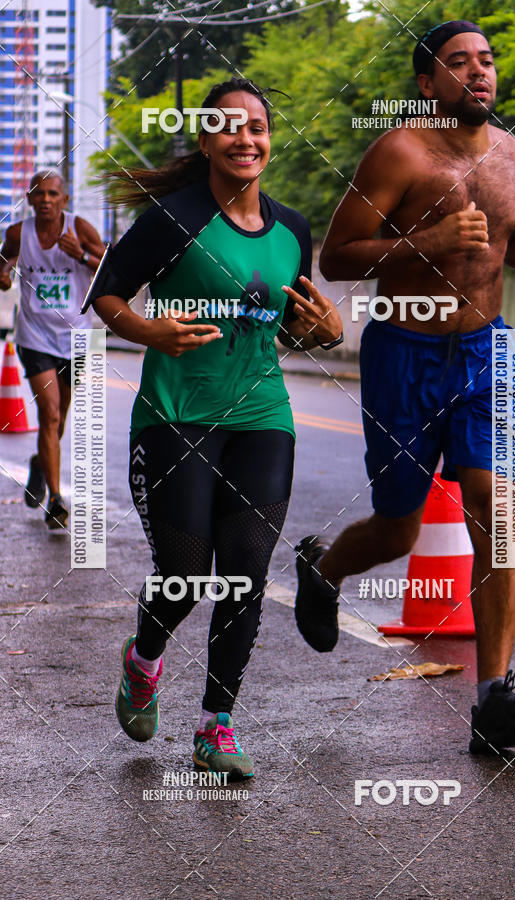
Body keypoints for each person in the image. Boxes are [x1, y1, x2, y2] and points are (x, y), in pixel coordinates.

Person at [294, 21, 515, 755]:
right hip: (404, 354)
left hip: (487, 354)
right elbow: (340, 256)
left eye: (486, 60)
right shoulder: (399, 151)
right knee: (400, 528)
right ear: (427, 85)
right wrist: (426, 242)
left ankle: (493, 698)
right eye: (458, 63)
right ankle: (323, 571)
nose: (477, 72)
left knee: (498, 510)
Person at [84, 78, 343, 778]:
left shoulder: (291, 229)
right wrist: (147, 331)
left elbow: (296, 319)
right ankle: (143, 660)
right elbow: (105, 291)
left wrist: (328, 330)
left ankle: (215, 725)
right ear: (204, 141)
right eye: (228, 127)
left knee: (247, 570)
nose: (245, 139)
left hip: (262, 416)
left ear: (269, 137)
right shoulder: (175, 219)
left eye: (256, 126)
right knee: (186, 575)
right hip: (176, 417)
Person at [0, 170, 104, 528]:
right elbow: (5, 261)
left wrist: (81, 255)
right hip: (34, 335)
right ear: (29, 199)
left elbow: (109, 268)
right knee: (51, 414)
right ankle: (57, 501)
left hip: (76, 335)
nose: (45, 199)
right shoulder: (18, 232)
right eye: (39, 193)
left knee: (58, 421)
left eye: (53, 194)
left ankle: (39, 464)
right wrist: (5, 273)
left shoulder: (81, 229)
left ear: (64, 199)